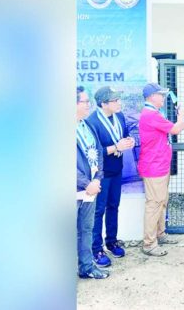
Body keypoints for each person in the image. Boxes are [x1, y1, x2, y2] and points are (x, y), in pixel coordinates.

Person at [137, 82, 184, 256]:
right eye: (160, 95)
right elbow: (174, 130)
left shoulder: (154, 113)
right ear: (151, 97)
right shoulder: (151, 115)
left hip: (160, 165)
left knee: (161, 202)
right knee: (154, 203)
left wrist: (183, 118)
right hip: (154, 167)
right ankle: (149, 244)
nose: (163, 98)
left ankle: (160, 234)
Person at [85, 86, 135, 267]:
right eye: (115, 100)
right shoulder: (91, 122)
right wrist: (116, 148)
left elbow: (125, 136)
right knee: (98, 211)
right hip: (100, 173)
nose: (119, 102)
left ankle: (111, 241)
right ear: (103, 103)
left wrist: (130, 142)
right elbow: (92, 151)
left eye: (118, 99)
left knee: (114, 206)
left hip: (117, 169)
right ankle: (96, 249)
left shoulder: (119, 116)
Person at [76, 86, 109, 279]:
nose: (89, 105)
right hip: (77, 188)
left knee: (86, 229)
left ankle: (87, 267)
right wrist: (85, 182)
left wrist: (96, 179)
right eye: (85, 102)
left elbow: (98, 154)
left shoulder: (87, 125)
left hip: (91, 189)